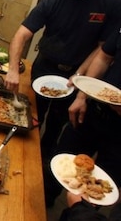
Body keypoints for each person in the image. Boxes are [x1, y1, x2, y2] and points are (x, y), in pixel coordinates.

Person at [3, 0, 121, 165]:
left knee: (57, 125)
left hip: (77, 76)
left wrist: (80, 74)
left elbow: (104, 49)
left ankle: (43, 163)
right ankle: (22, 160)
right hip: (45, 66)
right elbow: (21, 35)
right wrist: (12, 68)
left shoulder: (111, 3)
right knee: (29, 117)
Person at [44, 25, 121, 207]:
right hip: (94, 111)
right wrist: (82, 95)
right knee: (60, 161)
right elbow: (103, 57)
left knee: (99, 188)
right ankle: (43, 203)